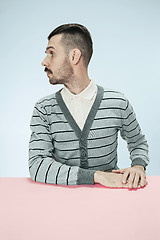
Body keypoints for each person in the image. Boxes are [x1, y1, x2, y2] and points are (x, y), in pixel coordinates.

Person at [28, 23, 149, 189]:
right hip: (60, 201)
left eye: (51, 53)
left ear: (74, 56)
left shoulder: (117, 102)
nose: (44, 62)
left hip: (112, 201)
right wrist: (97, 176)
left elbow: (138, 143)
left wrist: (138, 166)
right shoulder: (44, 109)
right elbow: (37, 165)